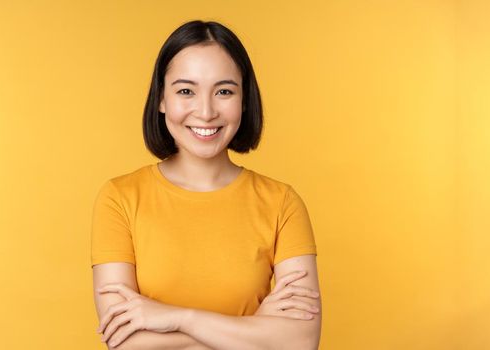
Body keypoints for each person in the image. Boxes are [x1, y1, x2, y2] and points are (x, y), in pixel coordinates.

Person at [91, 20, 322, 350]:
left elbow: (300, 342)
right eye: (186, 91)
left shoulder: (281, 202)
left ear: (244, 100)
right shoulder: (120, 197)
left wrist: (178, 319)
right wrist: (256, 328)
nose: (206, 110)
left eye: (224, 91)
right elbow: (125, 341)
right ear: (161, 99)